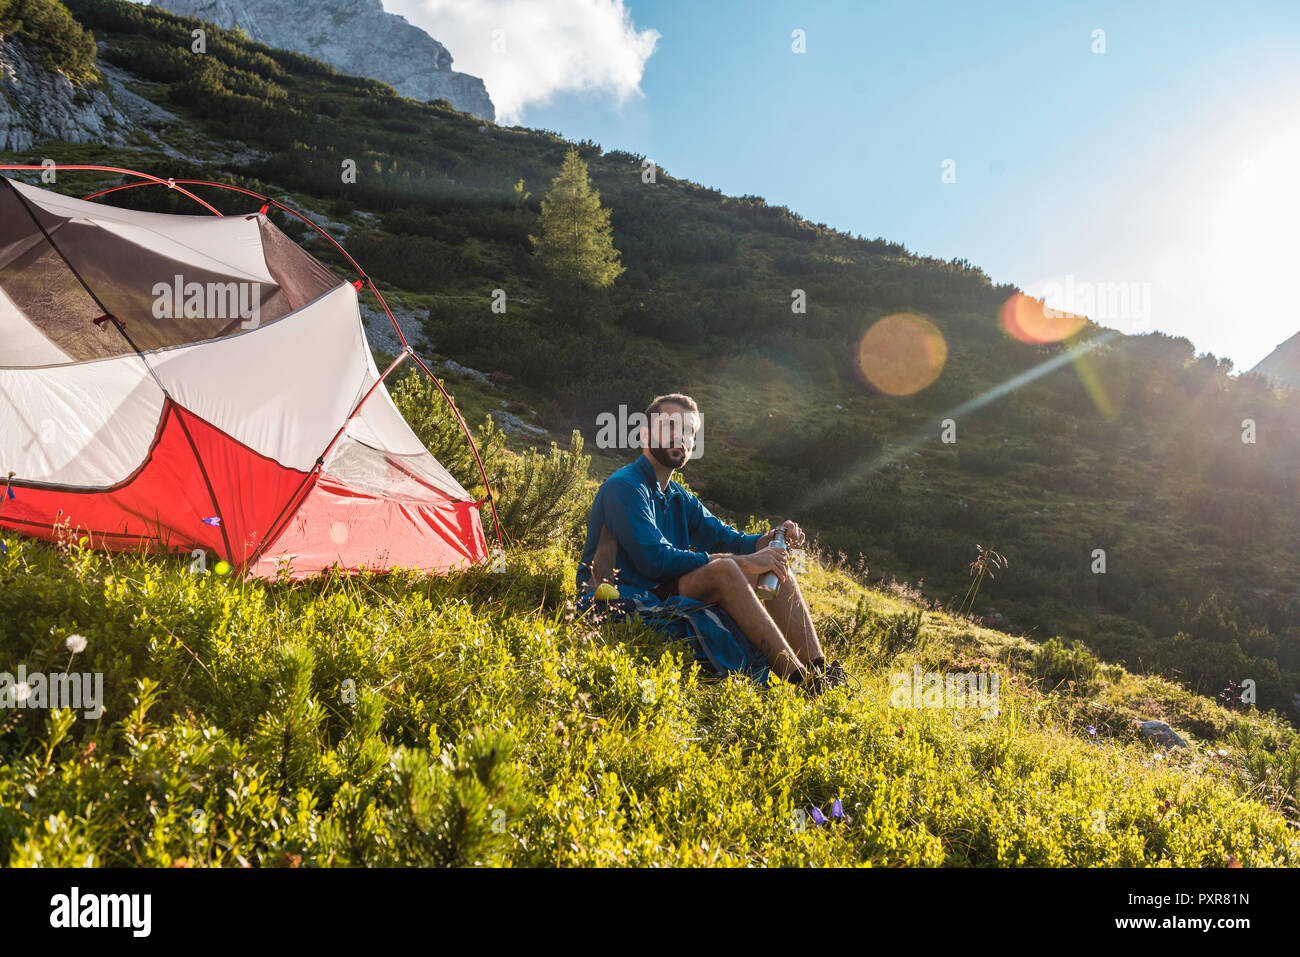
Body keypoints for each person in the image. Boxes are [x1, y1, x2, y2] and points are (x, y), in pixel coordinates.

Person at [576, 392, 849, 693]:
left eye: (689, 432)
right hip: (622, 593)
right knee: (726, 570)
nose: (680, 437)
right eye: (669, 426)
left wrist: (770, 540)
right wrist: (739, 562)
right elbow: (654, 560)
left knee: (774, 563)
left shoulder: (680, 497)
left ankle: (820, 672)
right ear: (644, 433)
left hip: (663, 587)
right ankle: (800, 681)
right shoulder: (624, 487)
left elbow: (727, 538)